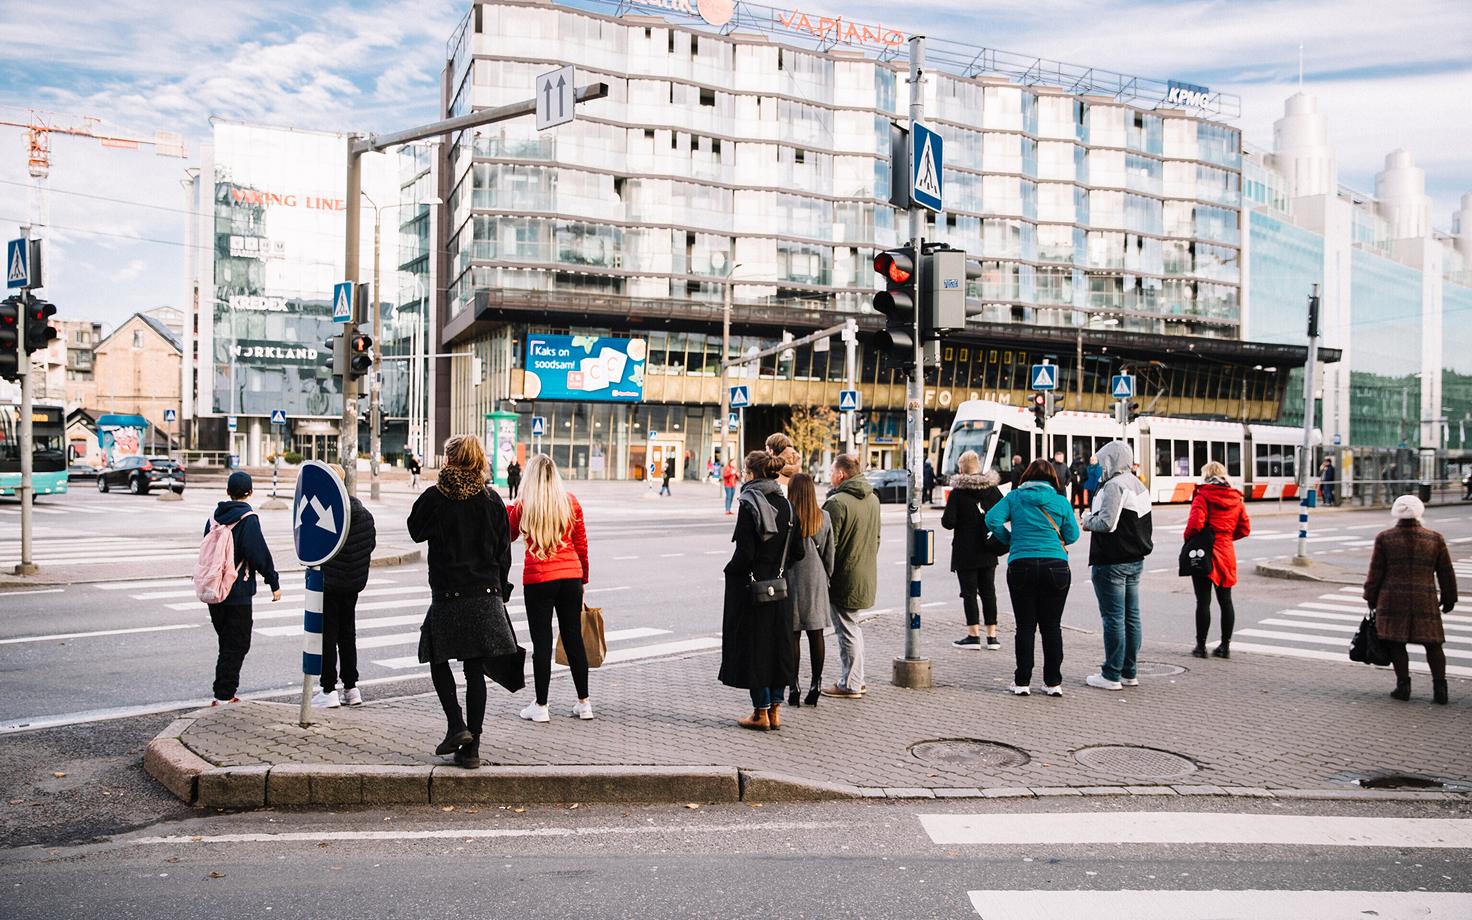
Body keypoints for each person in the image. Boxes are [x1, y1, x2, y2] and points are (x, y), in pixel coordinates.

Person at [408, 435, 524, 770]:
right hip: (486, 594)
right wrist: (500, 589)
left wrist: (435, 492)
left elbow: (415, 530)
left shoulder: (436, 497)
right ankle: (471, 750)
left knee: (436, 656)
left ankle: (456, 725)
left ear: (450, 459)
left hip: (448, 594)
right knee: (475, 671)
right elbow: (504, 552)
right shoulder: (492, 500)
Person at [719, 450, 805, 730]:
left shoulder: (749, 503)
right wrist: (778, 567)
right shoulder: (789, 506)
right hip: (780, 588)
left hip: (754, 587)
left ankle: (760, 713)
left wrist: (731, 571)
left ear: (753, 474)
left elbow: (744, 553)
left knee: (755, 648)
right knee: (778, 648)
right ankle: (776, 712)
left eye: (745, 471)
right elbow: (799, 552)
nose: (744, 475)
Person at [508, 454, 593, 722]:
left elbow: (507, 535)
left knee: (541, 642)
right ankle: (584, 702)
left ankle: (541, 706)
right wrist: (583, 580)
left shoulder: (524, 506)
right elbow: (582, 545)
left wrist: (512, 508)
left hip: (539, 580)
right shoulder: (570, 503)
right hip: (570, 578)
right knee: (573, 639)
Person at [985, 459, 1079, 696]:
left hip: (1021, 564)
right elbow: (1073, 535)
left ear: (1026, 476)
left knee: (1025, 627)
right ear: (1053, 479)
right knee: (1052, 627)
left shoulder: (1015, 497)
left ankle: (1022, 682)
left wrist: (1008, 539)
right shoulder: (1060, 501)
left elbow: (992, 519)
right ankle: (1053, 682)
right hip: (1056, 567)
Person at [1364, 495, 1457, 704]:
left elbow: (1376, 572)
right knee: (1433, 644)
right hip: (1425, 597)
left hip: (1392, 598)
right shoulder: (1434, 538)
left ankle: (1403, 686)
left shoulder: (1385, 538)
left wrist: (1370, 596)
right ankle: (1440, 688)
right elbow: (1446, 572)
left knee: (1396, 643)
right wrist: (1449, 596)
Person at [203, 472, 281, 705]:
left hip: (215, 589)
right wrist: (273, 581)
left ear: (228, 492)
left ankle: (223, 692)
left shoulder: (214, 517)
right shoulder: (248, 518)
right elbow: (258, 554)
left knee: (226, 642)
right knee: (238, 643)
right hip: (237, 591)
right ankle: (224, 695)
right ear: (250, 492)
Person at [1080, 442, 1153, 691]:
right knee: (1131, 617)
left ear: (1111, 460)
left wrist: (1087, 520)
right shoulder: (1138, 484)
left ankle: (1111, 674)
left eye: (1103, 461)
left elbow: (1107, 523)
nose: (1101, 466)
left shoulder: (1114, 486)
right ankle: (1129, 672)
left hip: (1111, 561)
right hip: (1135, 560)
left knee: (1113, 619)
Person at [314, 464, 377, 708]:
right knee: (347, 634)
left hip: (330, 583)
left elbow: (316, 548)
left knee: (328, 635)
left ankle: (328, 689)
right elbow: (369, 545)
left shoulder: (326, 510)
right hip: (352, 583)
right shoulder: (363, 512)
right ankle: (351, 689)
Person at [820, 453, 881, 699]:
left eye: (832, 471)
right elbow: (876, 539)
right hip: (865, 572)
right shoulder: (873, 499)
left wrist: (826, 574)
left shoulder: (837, 503)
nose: (830, 476)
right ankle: (857, 678)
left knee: (846, 630)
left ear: (842, 474)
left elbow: (826, 544)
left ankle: (851, 683)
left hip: (844, 576)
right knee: (852, 627)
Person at [1184, 461, 1251, 659]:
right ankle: (1225, 646)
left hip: (1205, 552)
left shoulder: (1202, 496)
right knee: (1226, 601)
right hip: (1226, 552)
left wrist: (1189, 540)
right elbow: (1245, 529)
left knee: (1203, 601)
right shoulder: (1236, 498)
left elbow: (1195, 524)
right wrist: (1227, 538)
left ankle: (1201, 646)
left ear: (1206, 475)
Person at [942, 451, 1005, 650]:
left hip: (965, 551)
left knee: (969, 593)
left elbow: (948, 522)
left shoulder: (958, 493)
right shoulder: (993, 491)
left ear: (961, 469)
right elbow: (1004, 513)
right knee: (989, 592)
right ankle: (992, 636)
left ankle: (973, 635)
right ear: (978, 467)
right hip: (988, 549)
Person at [784, 472, 834, 707]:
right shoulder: (823, 517)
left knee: (793, 635)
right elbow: (830, 555)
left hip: (792, 580)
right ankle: (816, 683)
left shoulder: (787, 517)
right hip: (815, 580)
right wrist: (827, 577)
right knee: (816, 634)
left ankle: (793, 685)